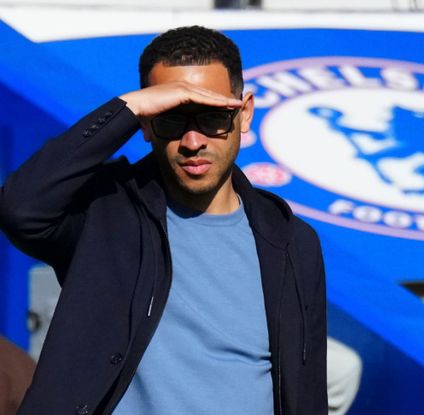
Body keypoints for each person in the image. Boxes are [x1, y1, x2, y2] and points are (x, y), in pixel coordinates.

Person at [0, 26, 327, 415]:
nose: (193, 141)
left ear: (244, 114)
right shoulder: (104, 213)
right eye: (171, 119)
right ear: (146, 123)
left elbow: (306, 389)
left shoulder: (291, 240)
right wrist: (128, 108)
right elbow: (21, 208)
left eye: (212, 118)